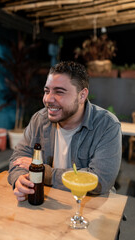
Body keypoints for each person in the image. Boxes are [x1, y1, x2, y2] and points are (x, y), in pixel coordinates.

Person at [8, 61, 122, 202]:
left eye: (59, 92)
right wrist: (19, 179)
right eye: (46, 91)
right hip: (47, 201)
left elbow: (100, 180)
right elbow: (18, 158)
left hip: (91, 205)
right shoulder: (40, 119)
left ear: (82, 95)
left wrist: (45, 173)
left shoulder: (107, 125)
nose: (48, 99)